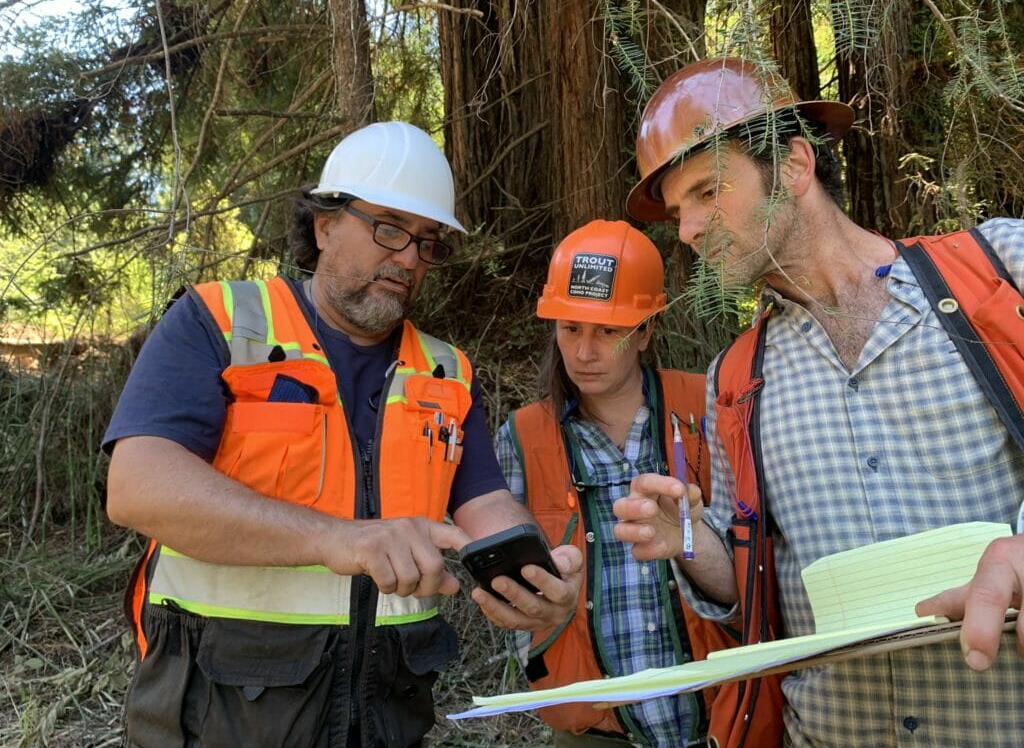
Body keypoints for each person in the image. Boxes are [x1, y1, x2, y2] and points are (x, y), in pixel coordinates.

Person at [103, 120, 583, 748]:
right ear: (324, 225)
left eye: (428, 242)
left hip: (385, 718)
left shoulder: (447, 372)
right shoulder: (219, 323)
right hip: (218, 715)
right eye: (389, 228)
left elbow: (483, 502)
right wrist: (336, 539)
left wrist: (535, 570)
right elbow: (138, 487)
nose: (410, 258)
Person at [613, 57, 1024, 747]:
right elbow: (752, 588)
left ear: (796, 166)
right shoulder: (735, 379)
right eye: (680, 211)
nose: (686, 230)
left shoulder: (1003, 270)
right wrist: (685, 540)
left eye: (709, 191)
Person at [495, 219, 724, 748]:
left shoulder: (709, 408)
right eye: (569, 328)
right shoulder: (524, 437)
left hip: (724, 718)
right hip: (593, 733)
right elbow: (508, 592)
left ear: (646, 330)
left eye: (607, 331)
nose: (584, 352)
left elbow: (757, 560)